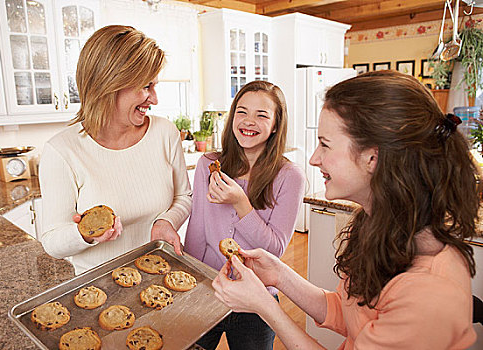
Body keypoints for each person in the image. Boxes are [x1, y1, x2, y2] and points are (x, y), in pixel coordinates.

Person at [211, 71, 478, 349]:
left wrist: (264, 305)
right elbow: (349, 312)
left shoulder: (430, 293)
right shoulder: (376, 226)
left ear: (372, 158)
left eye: (325, 144)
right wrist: (278, 273)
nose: (314, 159)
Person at [39, 25, 192, 275]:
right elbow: (52, 242)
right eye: (146, 86)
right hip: (98, 288)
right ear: (109, 85)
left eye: (154, 86)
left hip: (159, 275)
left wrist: (165, 222)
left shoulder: (165, 133)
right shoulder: (62, 151)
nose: (154, 99)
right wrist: (85, 234)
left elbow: (184, 197)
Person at [184, 80, 306, 350]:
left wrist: (241, 203)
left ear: (275, 124)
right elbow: (197, 234)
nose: (248, 121)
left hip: (256, 299)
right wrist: (191, 285)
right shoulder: (208, 165)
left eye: (261, 115)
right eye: (242, 111)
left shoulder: (290, 176)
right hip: (206, 290)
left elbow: (274, 249)